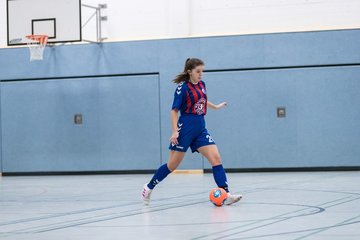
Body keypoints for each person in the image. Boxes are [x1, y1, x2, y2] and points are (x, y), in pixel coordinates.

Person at [141, 58, 242, 205]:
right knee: (172, 165)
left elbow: (202, 100)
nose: (201, 74)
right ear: (189, 71)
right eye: (198, 71)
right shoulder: (182, 88)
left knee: (216, 158)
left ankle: (226, 194)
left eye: (202, 71)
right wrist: (175, 131)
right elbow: (174, 111)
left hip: (200, 128)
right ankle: (148, 187)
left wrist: (217, 106)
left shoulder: (202, 85)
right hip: (185, 128)